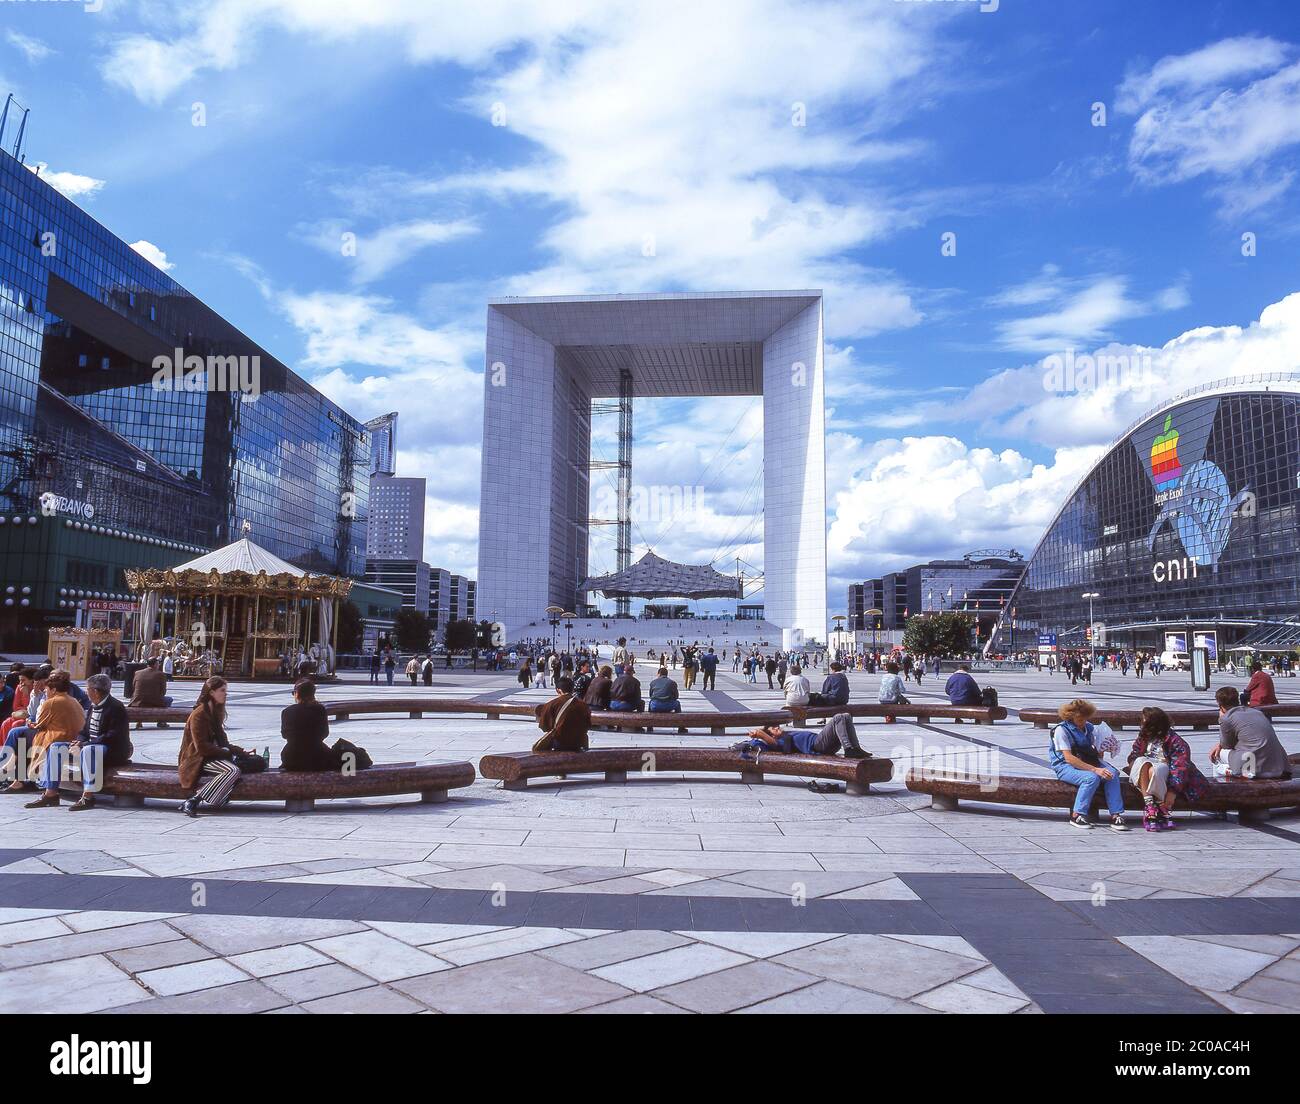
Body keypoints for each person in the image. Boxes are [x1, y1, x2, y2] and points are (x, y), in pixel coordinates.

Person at [54, 672, 133, 811]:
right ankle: (50, 793)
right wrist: (78, 742)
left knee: (89, 751)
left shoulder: (116, 707)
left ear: (95, 691)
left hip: (112, 749)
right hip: (89, 746)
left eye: (88, 689)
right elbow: (84, 731)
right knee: (56, 747)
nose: (86, 692)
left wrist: (85, 745)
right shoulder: (93, 706)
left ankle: (88, 796)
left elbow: (112, 735)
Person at [177, 677, 251, 817]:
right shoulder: (199, 714)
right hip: (196, 760)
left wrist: (241, 751)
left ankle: (216, 798)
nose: (225, 694)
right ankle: (193, 801)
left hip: (209, 757)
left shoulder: (214, 713)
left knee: (238, 770)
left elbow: (224, 743)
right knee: (232, 771)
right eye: (222, 690)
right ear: (211, 692)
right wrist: (225, 751)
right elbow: (201, 747)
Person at [1049, 699, 1128, 831]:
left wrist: (1103, 748)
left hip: (1088, 761)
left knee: (1112, 774)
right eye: (1080, 719)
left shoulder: (1089, 728)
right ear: (1070, 716)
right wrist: (1095, 770)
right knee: (1091, 778)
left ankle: (1116, 815)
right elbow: (1068, 758)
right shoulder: (1061, 731)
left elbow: (1096, 754)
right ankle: (1077, 814)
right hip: (1064, 766)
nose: (1083, 722)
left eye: (1085, 718)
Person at [1127, 706, 1208, 831]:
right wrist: (1132, 764)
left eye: (1145, 722)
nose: (1142, 724)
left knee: (1156, 769)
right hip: (1143, 771)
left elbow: (1180, 767)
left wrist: (1173, 791)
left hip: (1163, 773)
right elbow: (1134, 754)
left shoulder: (1175, 741)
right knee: (1142, 762)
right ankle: (1154, 806)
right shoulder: (1143, 737)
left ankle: (1154, 808)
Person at [15, 670, 87, 808]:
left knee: (19, 735)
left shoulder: (52, 702)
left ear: (53, 690)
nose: (45, 691)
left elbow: (39, 723)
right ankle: (22, 780)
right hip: (73, 738)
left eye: (47, 689)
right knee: (18, 733)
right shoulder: (73, 700)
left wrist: (31, 723)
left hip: (59, 738)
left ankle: (19, 780)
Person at [281, 679, 363, 771]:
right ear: (312, 694)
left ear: (297, 693)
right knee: (347, 760)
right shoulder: (319, 709)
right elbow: (324, 733)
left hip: (291, 756)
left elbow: (285, 734)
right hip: (317, 755)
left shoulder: (287, 711)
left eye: (293, 693)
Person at [1210, 687, 1290, 780]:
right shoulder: (1257, 712)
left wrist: (1221, 720)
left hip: (1254, 766)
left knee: (1216, 755)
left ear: (1220, 705)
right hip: (1278, 765)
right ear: (1237, 700)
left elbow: (1227, 746)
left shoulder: (1227, 718)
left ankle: (1219, 785)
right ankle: (1231, 771)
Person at [745, 712, 869, 759]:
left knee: (846, 716)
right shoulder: (781, 742)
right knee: (838, 718)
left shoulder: (785, 735)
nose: (777, 727)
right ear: (771, 736)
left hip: (823, 743)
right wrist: (760, 734)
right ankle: (849, 749)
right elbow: (773, 743)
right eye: (773, 729)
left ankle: (855, 748)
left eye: (776, 726)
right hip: (818, 746)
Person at [533, 677, 591, 752]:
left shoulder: (551, 704)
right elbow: (588, 724)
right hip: (579, 743)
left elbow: (544, 727)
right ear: (572, 689)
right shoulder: (583, 705)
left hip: (560, 743)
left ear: (558, 690)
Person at [128, 658, 173, 729]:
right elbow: (163, 692)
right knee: (169, 699)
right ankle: (161, 721)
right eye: (158, 664)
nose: (159, 666)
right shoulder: (161, 674)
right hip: (154, 701)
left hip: (137, 701)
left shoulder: (137, 673)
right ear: (155, 665)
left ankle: (139, 722)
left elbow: (133, 687)